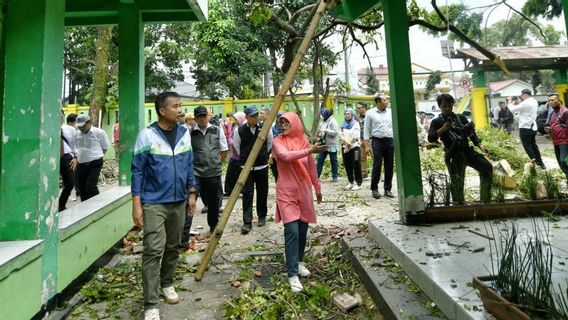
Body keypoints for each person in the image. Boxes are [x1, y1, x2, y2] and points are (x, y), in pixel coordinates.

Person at [131, 92, 197, 320]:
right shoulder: (147, 135)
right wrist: (136, 205)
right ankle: (150, 303)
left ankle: (167, 283)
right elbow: (137, 171)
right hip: (153, 202)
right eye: (176, 106)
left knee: (173, 246)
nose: (180, 110)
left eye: (180, 106)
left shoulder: (184, 133)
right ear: (162, 110)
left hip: (179, 201)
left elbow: (189, 165)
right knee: (152, 250)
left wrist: (192, 193)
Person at [272, 112, 326, 293]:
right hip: (286, 192)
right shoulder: (277, 142)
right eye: (281, 122)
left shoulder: (303, 142)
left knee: (302, 230)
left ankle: (299, 261)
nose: (282, 125)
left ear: (294, 123)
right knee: (292, 231)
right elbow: (286, 157)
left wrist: (317, 189)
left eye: (286, 122)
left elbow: (311, 168)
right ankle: (292, 274)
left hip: (303, 191)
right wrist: (310, 150)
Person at [427, 94, 493, 204]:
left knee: (486, 167)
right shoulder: (437, 121)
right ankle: (459, 204)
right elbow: (431, 138)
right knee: (457, 179)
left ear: (453, 105)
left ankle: (485, 201)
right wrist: (443, 129)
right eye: (444, 106)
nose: (447, 108)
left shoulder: (461, 118)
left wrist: (481, 147)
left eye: (449, 106)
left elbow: (472, 134)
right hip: (453, 153)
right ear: (440, 106)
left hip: (467, 150)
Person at [180, 106, 228, 248]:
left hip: (213, 173)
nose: (202, 119)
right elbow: (186, 152)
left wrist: (216, 163)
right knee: (190, 203)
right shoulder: (189, 132)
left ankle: (213, 230)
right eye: (199, 117)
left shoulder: (217, 129)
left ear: (208, 116)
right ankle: (183, 239)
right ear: (194, 119)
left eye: (204, 116)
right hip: (196, 174)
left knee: (213, 204)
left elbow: (224, 150)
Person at [233, 106, 273, 234]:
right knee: (247, 194)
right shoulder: (239, 130)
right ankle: (247, 221)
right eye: (252, 116)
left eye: (257, 115)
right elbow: (237, 146)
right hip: (246, 167)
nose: (256, 118)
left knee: (263, 192)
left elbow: (269, 144)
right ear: (246, 117)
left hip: (262, 165)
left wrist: (263, 156)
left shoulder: (265, 128)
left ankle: (262, 216)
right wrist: (246, 158)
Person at [364, 96, 395, 199]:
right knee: (377, 164)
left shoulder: (391, 112)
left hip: (390, 141)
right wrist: (367, 145)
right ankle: (374, 189)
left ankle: (387, 189)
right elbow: (366, 129)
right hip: (377, 141)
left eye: (387, 100)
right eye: (384, 100)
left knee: (389, 165)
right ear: (378, 102)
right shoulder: (370, 113)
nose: (387, 102)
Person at [74, 114, 110, 201]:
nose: (81, 128)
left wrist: (96, 156)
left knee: (90, 186)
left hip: (95, 163)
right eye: (79, 127)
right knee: (81, 188)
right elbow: (76, 147)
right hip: (81, 163)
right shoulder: (77, 134)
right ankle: (85, 207)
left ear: (89, 122)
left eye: (83, 126)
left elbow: (105, 147)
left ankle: (97, 205)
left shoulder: (99, 132)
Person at [509, 89, 546, 169]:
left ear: (525, 94)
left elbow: (512, 109)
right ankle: (541, 163)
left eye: (521, 95)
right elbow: (521, 112)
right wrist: (518, 103)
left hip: (525, 127)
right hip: (533, 127)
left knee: (527, 147)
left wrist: (510, 102)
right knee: (533, 146)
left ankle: (535, 164)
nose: (521, 97)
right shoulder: (534, 101)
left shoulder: (526, 103)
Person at [544, 94, 568, 184]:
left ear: (558, 100)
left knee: (564, 162)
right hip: (556, 141)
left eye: (553, 100)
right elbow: (551, 125)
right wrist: (548, 129)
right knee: (560, 164)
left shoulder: (565, 111)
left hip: (565, 141)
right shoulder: (552, 114)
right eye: (549, 101)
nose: (550, 102)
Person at [224, 112, 246, 197]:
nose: (236, 121)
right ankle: (229, 191)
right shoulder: (236, 127)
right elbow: (230, 136)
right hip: (234, 155)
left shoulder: (244, 129)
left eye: (237, 119)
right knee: (231, 174)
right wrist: (232, 143)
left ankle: (242, 191)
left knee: (241, 175)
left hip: (240, 155)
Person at [340, 108, 363, 190]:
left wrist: (348, 144)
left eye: (348, 114)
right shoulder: (342, 124)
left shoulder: (356, 124)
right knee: (347, 164)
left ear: (352, 115)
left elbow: (355, 135)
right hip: (345, 148)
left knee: (356, 164)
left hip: (355, 147)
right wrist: (345, 143)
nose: (347, 115)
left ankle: (358, 183)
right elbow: (341, 135)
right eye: (345, 114)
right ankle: (351, 182)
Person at [59, 110, 77, 211]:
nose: (59, 118)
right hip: (52, 157)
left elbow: (75, 145)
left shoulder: (70, 129)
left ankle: (61, 205)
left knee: (70, 183)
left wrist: (75, 158)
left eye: (61, 116)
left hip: (66, 157)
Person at [316, 108, 339, 182]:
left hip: (332, 144)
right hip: (323, 144)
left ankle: (335, 177)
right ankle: (316, 176)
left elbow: (335, 132)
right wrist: (319, 134)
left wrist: (326, 130)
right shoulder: (322, 122)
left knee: (333, 161)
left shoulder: (333, 121)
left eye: (322, 114)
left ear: (326, 114)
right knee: (320, 159)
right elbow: (320, 131)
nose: (321, 116)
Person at [357, 102, 370, 179]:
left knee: (374, 156)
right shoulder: (358, 118)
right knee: (362, 157)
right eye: (357, 108)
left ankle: (380, 175)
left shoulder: (369, 116)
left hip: (369, 139)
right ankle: (364, 173)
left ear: (364, 107)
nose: (358, 109)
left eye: (359, 108)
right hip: (361, 139)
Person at [269, 111, 284, 182]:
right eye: (278, 117)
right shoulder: (272, 129)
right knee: (276, 172)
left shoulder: (287, 128)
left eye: (281, 117)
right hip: (274, 155)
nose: (279, 119)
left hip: (284, 154)